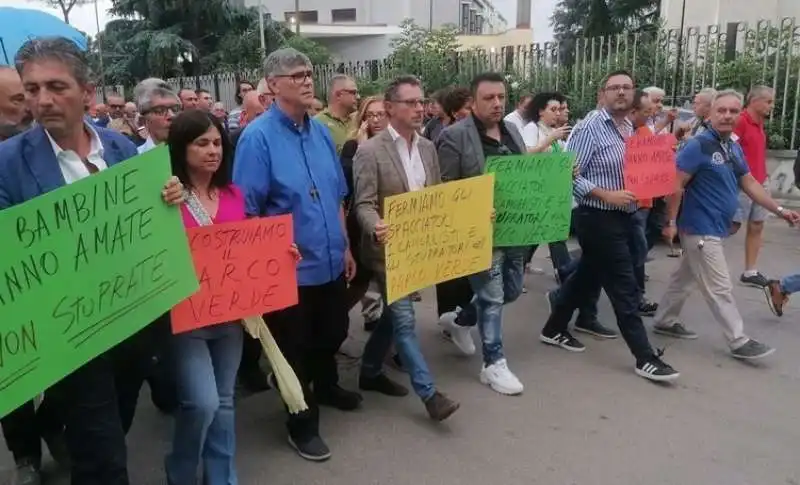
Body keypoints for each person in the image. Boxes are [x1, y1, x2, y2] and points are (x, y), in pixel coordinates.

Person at [0, 36, 184, 485]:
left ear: (87, 91)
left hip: (134, 323)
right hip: (70, 337)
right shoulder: (8, 163)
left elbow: (144, 224)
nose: (42, 100)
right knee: (104, 460)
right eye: (32, 88)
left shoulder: (120, 149)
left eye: (56, 86)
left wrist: (168, 197)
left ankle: (62, 434)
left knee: (112, 429)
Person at [233, 48, 358, 462]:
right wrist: (264, 264)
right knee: (294, 349)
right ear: (273, 85)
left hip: (330, 259)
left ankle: (326, 386)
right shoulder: (257, 138)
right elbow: (247, 212)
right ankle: (301, 421)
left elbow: (338, 194)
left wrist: (345, 246)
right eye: (298, 75)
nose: (308, 81)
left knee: (334, 331)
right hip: (287, 271)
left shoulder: (321, 132)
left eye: (309, 74)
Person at [539, 70, 680, 382]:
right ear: (603, 93)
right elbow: (567, 174)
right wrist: (605, 194)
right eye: (614, 88)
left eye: (626, 88)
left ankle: (553, 327)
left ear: (633, 94)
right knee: (624, 285)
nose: (620, 92)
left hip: (626, 216)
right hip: (596, 216)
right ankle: (645, 357)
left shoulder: (630, 126)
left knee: (587, 277)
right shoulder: (590, 128)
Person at [654, 89, 799, 359]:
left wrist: (779, 210)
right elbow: (675, 186)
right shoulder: (698, 145)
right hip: (699, 228)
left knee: (684, 278)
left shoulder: (731, 146)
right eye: (721, 110)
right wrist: (670, 222)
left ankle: (664, 320)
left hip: (714, 227)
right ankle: (738, 339)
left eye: (733, 111)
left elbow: (750, 182)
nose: (728, 116)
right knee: (719, 286)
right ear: (709, 114)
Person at [353, 75, 460, 421]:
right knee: (404, 319)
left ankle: (369, 369)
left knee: (391, 315)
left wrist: (469, 216)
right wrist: (376, 226)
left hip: (420, 250)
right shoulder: (369, 151)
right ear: (389, 108)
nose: (419, 108)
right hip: (388, 253)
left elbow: (438, 195)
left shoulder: (428, 147)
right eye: (410, 103)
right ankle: (430, 395)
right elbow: (363, 204)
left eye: (421, 101)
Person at [164, 110, 244, 485]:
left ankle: (222, 477)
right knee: (202, 402)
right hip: (187, 317)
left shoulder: (233, 194)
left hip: (230, 318)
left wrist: (281, 254)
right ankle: (180, 472)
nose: (213, 151)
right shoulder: (166, 197)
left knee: (225, 402)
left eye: (217, 143)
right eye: (201, 143)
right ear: (181, 148)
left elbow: (246, 252)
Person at [436, 72, 527, 395]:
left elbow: (525, 174)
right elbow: (445, 188)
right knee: (492, 297)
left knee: (512, 290)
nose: (497, 103)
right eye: (489, 98)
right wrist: (473, 210)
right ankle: (493, 363)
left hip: (514, 228)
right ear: (473, 102)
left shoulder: (512, 131)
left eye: (501, 97)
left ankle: (460, 319)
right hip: (479, 231)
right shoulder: (454, 136)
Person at [348, 96, 388, 331]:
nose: (375, 120)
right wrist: (361, 145)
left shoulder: (395, 144)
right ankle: (370, 315)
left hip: (391, 221)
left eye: (380, 114)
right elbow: (348, 181)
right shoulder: (355, 145)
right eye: (370, 115)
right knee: (362, 280)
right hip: (364, 223)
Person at [730, 86, 775, 288]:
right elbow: (729, 149)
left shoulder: (759, 123)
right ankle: (699, 260)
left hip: (760, 181)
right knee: (731, 225)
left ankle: (750, 271)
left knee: (757, 225)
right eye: (768, 101)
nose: (771, 106)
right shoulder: (740, 121)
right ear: (754, 101)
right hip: (742, 183)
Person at [628, 90, 659, 316]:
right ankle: (638, 298)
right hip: (630, 204)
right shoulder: (624, 133)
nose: (650, 114)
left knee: (632, 253)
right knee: (637, 252)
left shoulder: (644, 130)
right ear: (633, 111)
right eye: (646, 110)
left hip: (645, 200)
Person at [315, 74, 358, 154]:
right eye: (353, 92)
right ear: (338, 95)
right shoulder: (317, 123)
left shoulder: (358, 121)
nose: (358, 97)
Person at [136, 78, 181, 153]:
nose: (172, 116)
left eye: (175, 109)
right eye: (160, 111)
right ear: (144, 121)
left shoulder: (195, 156)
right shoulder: (135, 159)